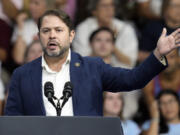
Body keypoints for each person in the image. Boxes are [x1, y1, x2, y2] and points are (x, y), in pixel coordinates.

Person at [4, 9, 180, 116]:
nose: (52, 35)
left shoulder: (93, 68)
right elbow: (13, 121)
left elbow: (133, 79)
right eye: (46, 30)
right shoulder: (22, 75)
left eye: (59, 30)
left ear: (71, 35)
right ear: (39, 36)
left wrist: (157, 53)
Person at [73, 0, 138, 68]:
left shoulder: (126, 29)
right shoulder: (83, 28)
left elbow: (130, 62)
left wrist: (112, 45)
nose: (109, 9)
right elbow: (79, 62)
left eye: (111, 5)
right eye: (104, 6)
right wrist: (102, 47)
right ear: (94, 11)